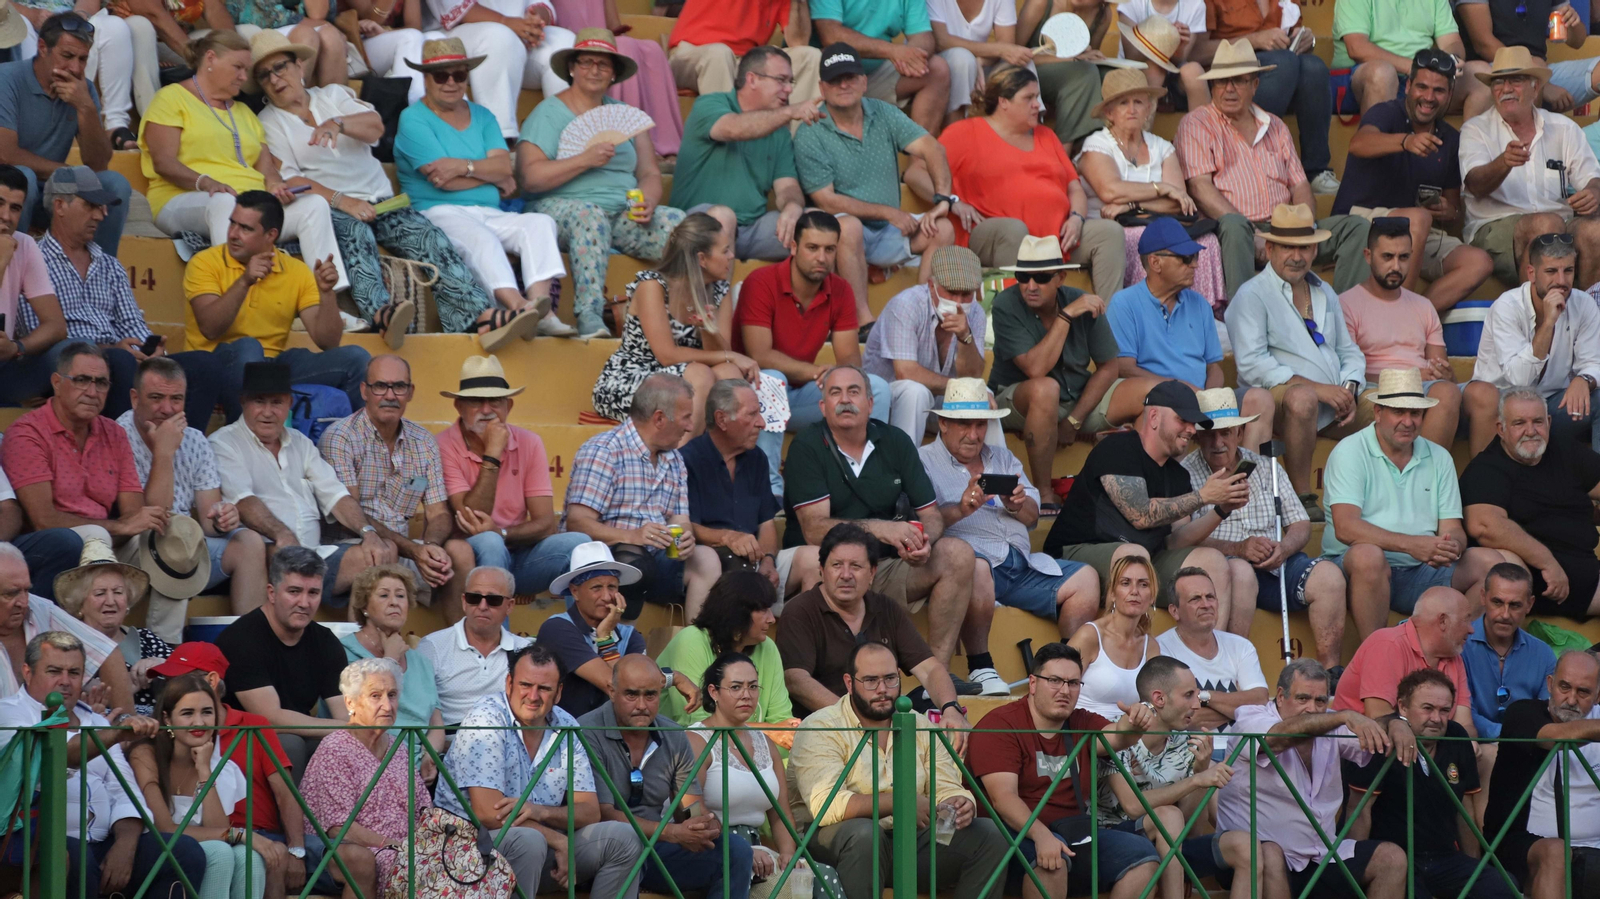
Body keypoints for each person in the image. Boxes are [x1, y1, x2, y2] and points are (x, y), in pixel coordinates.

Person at [253, 33, 533, 350]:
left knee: (430, 237)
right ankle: (382, 316)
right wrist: (344, 201)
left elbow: (375, 126)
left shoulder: (332, 94)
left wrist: (338, 123)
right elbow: (288, 179)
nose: (276, 78)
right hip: (332, 206)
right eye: (265, 75)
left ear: (298, 66)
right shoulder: (269, 121)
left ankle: (477, 318)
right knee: (356, 235)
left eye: (280, 67)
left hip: (383, 201)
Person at [781, 365, 982, 674]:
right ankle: (831, 678)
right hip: (828, 567)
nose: (845, 400)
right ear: (823, 407)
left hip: (882, 568)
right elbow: (814, 530)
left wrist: (921, 542)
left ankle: (936, 675)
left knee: (958, 554)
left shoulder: (895, 441)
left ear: (871, 404)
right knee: (819, 558)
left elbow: (931, 517)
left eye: (854, 392)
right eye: (835, 393)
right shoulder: (807, 447)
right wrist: (882, 529)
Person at [788, 642, 1009, 899]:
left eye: (890, 679)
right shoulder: (822, 726)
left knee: (990, 836)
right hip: (836, 843)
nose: (882, 690)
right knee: (864, 834)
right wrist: (900, 802)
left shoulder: (921, 724)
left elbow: (946, 786)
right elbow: (826, 805)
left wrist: (958, 803)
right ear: (849, 683)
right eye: (870, 680)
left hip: (908, 840)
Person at [0, 631, 206, 899]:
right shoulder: (9, 713)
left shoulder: (95, 721)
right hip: (39, 844)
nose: (65, 682)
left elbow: (124, 788)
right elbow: (57, 754)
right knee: (72, 857)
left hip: (105, 840)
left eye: (74, 673)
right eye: (54, 671)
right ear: (27, 672)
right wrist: (118, 733)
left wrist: (126, 845)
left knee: (183, 853)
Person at [1042, 380, 1254, 636]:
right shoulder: (1118, 448)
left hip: (1144, 560)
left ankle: (1207, 661)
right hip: (1077, 554)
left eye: (1192, 423)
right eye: (1182, 420)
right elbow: (1141, 514)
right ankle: (1117, 658)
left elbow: (1176, 541)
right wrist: (1204, 496)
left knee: (1212, 561)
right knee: (1134, 557)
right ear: (1154, 416)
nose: (1190, 430)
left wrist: (1221, 509)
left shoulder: (1178, 475)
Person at [140, 31, 348, 291]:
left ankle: (330, 299)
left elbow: (267, 169)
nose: (243, 76)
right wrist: (205, 183)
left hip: (251, 205)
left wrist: (274, 186)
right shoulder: (171, 98)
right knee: (224, 203)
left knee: (314, 206)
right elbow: (163, 162)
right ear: (211, 59)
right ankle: (234, 297)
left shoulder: (245, 113)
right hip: (181, 199)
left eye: (246, 70)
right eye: (238, 67)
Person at [436, 644, 643, 899]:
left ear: (558, 693)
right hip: (467, 852)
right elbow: (488, 813)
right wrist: (558, 840)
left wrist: (540, 811)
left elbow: (589, 811)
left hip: (541, 850)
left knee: (623, 838)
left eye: (544, 688)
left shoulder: (566, 724)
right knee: (529, 842)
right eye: (525, 685)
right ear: (509, 683)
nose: (533, 696)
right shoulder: (486, 718)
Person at [519, 29, 687, 340]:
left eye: (603, 64)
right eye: (586, 62)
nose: (594, 70)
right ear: (572, 68)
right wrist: (584, 160)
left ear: (613, 74)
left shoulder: (626, 117)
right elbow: (530, 178)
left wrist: (648, 200)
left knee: (682, 226)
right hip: (561, 209)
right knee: (590, 216)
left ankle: (678, 318)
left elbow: (650, 172)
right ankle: (590, 314)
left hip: (621, 212)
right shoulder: (548, 113)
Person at [394, 38, 565, 340]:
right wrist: (488, 173)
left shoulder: (483, 115)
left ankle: (544, 312)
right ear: (425, 78)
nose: (451, 82)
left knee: (541, 223)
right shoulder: (413, 118)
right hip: (437, 211)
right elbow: (441, 180)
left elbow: (503, 168)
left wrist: (462, 166)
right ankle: (518, 308)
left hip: (489, 210)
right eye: (441, 75)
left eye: (459, 75)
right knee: (482, 239)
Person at [965, 641, 1162, 899]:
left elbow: (1118, 736)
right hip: (1010, 838)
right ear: (1033, 683)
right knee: (1051, 861)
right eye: (1055, 681)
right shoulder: (1000, 725)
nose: (1065, 691)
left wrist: (1137, 719)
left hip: (1073, 835)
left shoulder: (1080, 720)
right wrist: (1041, 836)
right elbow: (1003, 798)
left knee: (1143, 857)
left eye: (1073, 683)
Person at [916, 65, 1127, 302]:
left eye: (1037, 97)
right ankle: (1016, 324)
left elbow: (1073, 187)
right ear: (1003, 101)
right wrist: (951, 201)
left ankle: (1110, 328)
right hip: (990, 233)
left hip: (1055, 237)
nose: (1038, 104)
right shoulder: (965, 132)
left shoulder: (1047, 135)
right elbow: (916, 172)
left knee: (1109, 232)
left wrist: (1077, 218)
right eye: (1029, 98)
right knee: (1014, 230)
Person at [1180, 390, 1360, 665]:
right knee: (1240, 572)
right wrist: (1238, 549)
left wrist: (1284, 548)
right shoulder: (1184, 474)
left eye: (1226, 433)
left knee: (1329, 577)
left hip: (1278, 564)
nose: (1218, 442)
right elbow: (1183, 540)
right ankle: (1230, 669)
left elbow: (1300, 524)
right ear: (1197, 436)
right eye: (1209, 434)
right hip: (1225, 570)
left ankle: (1329, 672)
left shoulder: (1266, 467)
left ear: (1240, 432)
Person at [1176, 43, 1370, 298]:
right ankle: (1244, 322)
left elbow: (1300, 185)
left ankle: (1345, 319)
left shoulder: (1275, 125)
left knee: (1357, 227)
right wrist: (1254, 233)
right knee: (1234, 226)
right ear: (1212, 86)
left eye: (1239, 81)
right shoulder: (1196, 123)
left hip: (1285, 226)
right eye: (1222, 82)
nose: (1229, 89)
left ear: (1255, 85)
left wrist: (1305, 227)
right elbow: (1200, 188)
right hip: (1237, 232)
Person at [673, 46, 864, 302]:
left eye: (790, 82)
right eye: (781, 81)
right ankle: (712, 321)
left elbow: (787, 186)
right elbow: (732, 129)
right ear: (752, 79)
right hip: (697, 225)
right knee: (723, 216)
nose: (789, 89)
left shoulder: (779, 130)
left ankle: (838, 320)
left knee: (827, 226)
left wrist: (794, 207)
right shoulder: (711, 104)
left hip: (752, 229)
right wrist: (791, 111)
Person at [922, 377, 1100, 649]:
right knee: (977, 566)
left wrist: (1016, 504)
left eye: (980, 424)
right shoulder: (923, 461)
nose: (974, 434)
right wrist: (960, 510)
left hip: (1022, 567)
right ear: (943, 424)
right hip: (975, 572)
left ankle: (1067, 663)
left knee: (1086, 580)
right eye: (964, 424)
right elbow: (923, 522)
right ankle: (981, 663)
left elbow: (1032, 516)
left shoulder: (1002, 458)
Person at [37, 165, 222, 425]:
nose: (101, 215)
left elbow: (132, 323)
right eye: (91, 205)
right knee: (119, 360)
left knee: (205, 365)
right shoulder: (34, 259)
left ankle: (182, 449)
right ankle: (122, 453)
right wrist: (107, 349)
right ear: (60, 206)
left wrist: (152, 350)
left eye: (102, 207)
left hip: (120, 359)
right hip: (70, 364)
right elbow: (38, 333)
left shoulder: (109, 265)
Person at [1215, 659, 1415, 899]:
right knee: (1268, 852)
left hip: (1321, 854)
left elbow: (1372, 731)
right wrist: (1343, 717)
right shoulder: (1251, 717)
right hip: (1253, 859)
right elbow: (1276, 738)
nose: (1312, 708)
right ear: (1280, 696)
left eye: (1320, 701)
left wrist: (1396, 723)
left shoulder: (1331, 720)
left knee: (1391, 859)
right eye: (1302, 699)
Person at [1225, 203, 1372, 514]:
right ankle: (1302, 497)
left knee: (1392, 407)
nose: (1297, 256)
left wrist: (1349, 387)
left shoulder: (1324, 292)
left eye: (1304, 248)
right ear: (1270, 247)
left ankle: (1387, 502)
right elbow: (1253, 366)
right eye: (1287, 248)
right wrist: (1318, 389)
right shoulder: (1252, 294)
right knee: (1303, 399)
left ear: (1315, 249)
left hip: (1333, 401)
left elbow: (1349, 351)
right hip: (1280, 401)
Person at [210, 362, 396, 606]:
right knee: (284, 557)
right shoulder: (223, 442)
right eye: (259, 401)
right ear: (243, 401)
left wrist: (368, 532)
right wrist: (282, 534)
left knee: (384, 550)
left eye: (276, 402)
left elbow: (336, 495)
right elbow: (243, 500)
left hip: (314, 553)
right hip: (270, 552)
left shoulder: (301, 442)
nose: (267, 411)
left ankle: (358, 639)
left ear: (289, 404)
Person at [1322, 368, 1500, 615]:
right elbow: (1345, 527)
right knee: (1368, 557)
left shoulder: (1439, 456)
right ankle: (1375, 651)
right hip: (1355, 570)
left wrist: (1452, 547)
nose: (1408, 422)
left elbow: (1452, 528)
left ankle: (1456, 649)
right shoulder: (1350, 451)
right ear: (1378, 412)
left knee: (1493, 564)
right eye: (1398, 412)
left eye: (1415, 413)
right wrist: (1411, 545)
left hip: (1419, 570)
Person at [987, 236, 1148, 509]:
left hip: (1076, 400)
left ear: (1060, 277)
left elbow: (1109, 366)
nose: (1030, 286)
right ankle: (1044, 493)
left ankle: (1141, 490)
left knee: (1150, 393)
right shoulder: (1006, 304)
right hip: (1017, 398)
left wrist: (1075, 420)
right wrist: (1066, 316)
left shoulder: (1079, 300)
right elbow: (1036, 369)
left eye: (1041, 277)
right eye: (1023, 277)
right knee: (1045, 388)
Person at [181, 190, 371, 420]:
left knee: (356, 359)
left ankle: (356, 443)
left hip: (272, 368)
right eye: (232, 223)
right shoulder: (204, 262)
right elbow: (210, 327)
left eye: (246, 228)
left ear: (271, 235)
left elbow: (328, 342)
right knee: (249, 348)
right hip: (216, 364)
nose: (233, 234)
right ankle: (249, 439)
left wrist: (326, 293)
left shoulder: (297, 271)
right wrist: (245, 282)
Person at [739, 211, 891, 497]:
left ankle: (864, 480)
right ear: (793, 247)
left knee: (878, 389)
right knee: (771, 379)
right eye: (813, 248)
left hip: (801, 397)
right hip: (752, 398)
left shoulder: (841, 289)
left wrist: (835, 376)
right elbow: (760, 356)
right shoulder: (761, 281)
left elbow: (849, 361)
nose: (821, 257)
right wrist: (816, 372)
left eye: (829, 249)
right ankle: (770, 491)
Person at [1097, 656, 1276, 899]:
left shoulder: (1187, 744)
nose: (1197, 705)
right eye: (1189, 695)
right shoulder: (1118, 737)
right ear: (1159, 699)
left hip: (1170, 844)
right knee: (1169, 815)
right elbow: (1132, 805)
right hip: (1113, 843)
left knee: (1246, 846)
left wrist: (1201, 772)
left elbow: (1193, 827)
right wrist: (1194, 780)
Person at [1332, 51, 1495, 314]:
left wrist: (1447, 209)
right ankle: (1397, 322)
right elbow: (1359, 143)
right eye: (1422, 87)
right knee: (1418, 219)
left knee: (1480, 262)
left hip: (1417, 232)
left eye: (1439, 91)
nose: (1429, 98)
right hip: (1361, 221)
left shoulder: (1450, 138)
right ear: (1408, 86)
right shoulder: (1386, 113)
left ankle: (1412, 316)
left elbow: (1454, 207)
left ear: (1450, 94)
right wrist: (1405, 142)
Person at [579, 655, 755, 899]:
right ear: (611, 691)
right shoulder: (586, 731)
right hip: (602, 848)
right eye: (631, 694)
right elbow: (602, 814)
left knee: (735, 851)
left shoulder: (672, 734)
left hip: (657, 848)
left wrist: (703, 825)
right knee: (627, 842)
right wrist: (672, 833)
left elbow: (690, 805)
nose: (642, 705)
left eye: (650, 695)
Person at [116, 357, 266, 641]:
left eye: (176, 399)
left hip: (185, 544)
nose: (168, 409)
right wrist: (164, 452)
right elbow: (151, 517)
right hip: (137, 546)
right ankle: (163, 655)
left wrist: (223, 518)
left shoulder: (196, 440)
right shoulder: (116, 435)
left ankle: (252, 646)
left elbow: (210, 522)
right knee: (176, 543)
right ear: (135, 399)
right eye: (156, 398)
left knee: (249, 541)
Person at [776, 523, 973, 738]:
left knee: (955, 733)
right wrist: (854, 720)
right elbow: (796, 679)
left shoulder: (885, 608)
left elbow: (930, 668)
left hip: (883, 730)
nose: (846, 575)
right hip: (824, 732)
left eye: (856, 566)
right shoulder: (800, 611)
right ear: (822, 570)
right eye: (836, 565)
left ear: (872, 573)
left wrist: (951, 708)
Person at [793, 44, 954, 306]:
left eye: (850, 78)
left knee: (943, 229)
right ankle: (860, 321)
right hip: (840, 236)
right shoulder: (810, 131)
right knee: (850, 226)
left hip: (887, 232)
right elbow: (827, 201)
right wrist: (889, 213)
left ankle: (922, 312)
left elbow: (932, 148)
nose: (844, 85)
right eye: (835, 80)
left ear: (864, 82)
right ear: (822, 88)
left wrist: (943, 201)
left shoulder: (883, 111)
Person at [320, 355, 475, 621]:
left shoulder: (424, 442)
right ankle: (364, 654)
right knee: (381, 552)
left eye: (399, 387)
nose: (390, 395)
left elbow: (438, 514)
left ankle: (458, 650)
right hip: (350, 546)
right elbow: (351, 518)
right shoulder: (340, 437)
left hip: (402, 550)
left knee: (459, 553)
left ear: (410, 392)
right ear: (364, 391)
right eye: (380, 386)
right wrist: (414, 551)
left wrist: (431, 547)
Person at [1105, 219, 1275, 448]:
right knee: (1172, 414)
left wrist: (1210, 399)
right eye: (1186, 259)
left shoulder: (1200, 304)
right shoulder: (1124, 303)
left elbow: (1213, 367)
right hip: (1159, 400)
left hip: (1199, 398)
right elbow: (1124, 368)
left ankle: (1247, 479)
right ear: (1155, 262)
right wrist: (1181, 391)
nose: (1195, 265)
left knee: (1261, 399)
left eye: (1195, 257)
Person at [431, 356, 588, 603]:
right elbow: (472, 517)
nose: (486, 410)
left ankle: (580, 636)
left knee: (581, 544)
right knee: (490, 542)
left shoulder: (530, 442)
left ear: (508, 407)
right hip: (470, 560)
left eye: (494, 401)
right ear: (459, 406)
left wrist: (502, 533)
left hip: (521, 555)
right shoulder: (441, 445)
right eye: (475, 401)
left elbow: (546, 523)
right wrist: (492, 453)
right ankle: (496, 641)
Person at [1346, 669, 1514, 899]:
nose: (1437, 718)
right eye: (1427, 708)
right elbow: (1359, 810)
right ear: (1403, 707)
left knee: (1504, 886)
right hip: (1397, 860)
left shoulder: (1456, 735)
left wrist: (1474, 866)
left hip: (1445, 858)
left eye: (1445, 710)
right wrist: (1356, 873)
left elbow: (1465, 809)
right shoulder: (1382, 741)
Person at [684, 651, 840, 896]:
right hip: (714, 850)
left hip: (760, 853)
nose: (746, 695)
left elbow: (780, 814)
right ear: (714, 692)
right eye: (736, 687)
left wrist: (789, 853)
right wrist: (740, 850)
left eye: (753, 687)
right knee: (790, 890)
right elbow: (691, 811)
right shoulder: (696, 741)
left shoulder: (764, 743)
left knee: (822, 876)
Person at [563, 373, 719, 616]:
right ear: (659, 418)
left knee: (706, 558)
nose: (690, 426)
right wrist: (632, 535)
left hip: (658, 561)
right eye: (686, 417)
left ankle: (696, 643)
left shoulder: (674, 458)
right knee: (634, 560)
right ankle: (622, 645)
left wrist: (686, 539)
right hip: (610, 562)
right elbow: (577, 523)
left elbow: (680, 521)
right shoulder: (605, 451)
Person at [590, 213, 755, 434]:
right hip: (632, 379)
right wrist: (730, 355)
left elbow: (722, 355)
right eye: (725, 250)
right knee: (702, 374)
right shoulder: (653, 285)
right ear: (701, 259)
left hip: (685, 381)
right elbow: (666, 355)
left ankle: (726, 460)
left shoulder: (719, 290)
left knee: (728, 373)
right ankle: (683, 464)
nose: (732, 255)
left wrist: (708, 330)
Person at [128, 673, 288, 899]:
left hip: (199, 846)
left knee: (249, 857)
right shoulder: (146, 754)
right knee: (221, 852)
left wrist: (204, 771)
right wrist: (241, 834)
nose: (199, 722)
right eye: (187, 713)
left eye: (206, 712)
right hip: (150, 849)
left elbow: (216, 827)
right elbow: (164, 829)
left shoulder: (220, 763)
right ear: (167, 719)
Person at [0, 342, 166, 556]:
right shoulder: (27, 433)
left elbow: (133, 515)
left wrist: (129, 527)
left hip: (108, 539)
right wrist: (118, 527)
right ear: (57, 383)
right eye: (82, 380)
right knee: (97, 536)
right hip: (52, 546)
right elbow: (43, 520)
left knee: (161, 543)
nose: (92, 392)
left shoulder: (114, 433)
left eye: (101, 383)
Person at [1075, 66, 1222, 306]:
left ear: (1149, 108)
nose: (1132, 109)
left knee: (1206, 241)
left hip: (1151, 224)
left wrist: (1130, 205)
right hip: (1111, 230)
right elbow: (1110, 190)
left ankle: (1198, 312)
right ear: (1109, 112)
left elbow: (1179, 203)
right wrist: (1161, 188)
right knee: (1145, 241)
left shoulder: (1162, 147)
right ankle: (1147, 313)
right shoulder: (1097, 143)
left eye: (1138, 102)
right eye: (1123, 103)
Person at [1460, 46, 1600, 287]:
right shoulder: (1475, 129)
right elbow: (1475, 185)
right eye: (1498, 83)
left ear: (1535, 87)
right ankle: (1533, 320)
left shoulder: (1564, 128)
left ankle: (1586, 319)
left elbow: (1593, 179)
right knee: (1547, 225)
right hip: (1495, 229)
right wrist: (1502, 163)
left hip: (1559, 226)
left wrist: (1593, 194)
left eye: (1515, 81)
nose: (1505, 89)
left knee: (1595, 231)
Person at [0, 13, 132, 256]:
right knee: (23, 177)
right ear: (42, 48)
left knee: (116, 184)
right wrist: (67, 172)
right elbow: (7, 155)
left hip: (53, 189)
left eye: (83, 59)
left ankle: (99, 273)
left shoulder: (84, 88)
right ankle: (12, 266)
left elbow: (99, 163)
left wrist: (86, 108)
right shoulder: (6, 78)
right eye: (67, 56)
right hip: (8, 186)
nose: (75, 68)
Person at [212, 547, 350, 778]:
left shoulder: (325, 641)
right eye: (294, 591)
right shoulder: (241, 639)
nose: (304, 603)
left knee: (341, 747)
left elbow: (346, 713)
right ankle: (291, 816)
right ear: (272, 593)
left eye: (313, 593)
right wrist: (345, 729)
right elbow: (270, 718)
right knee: (290, 744)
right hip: (236, 742)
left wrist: (349, 732)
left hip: (297, 735)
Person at [1463, 389, 1600, 617]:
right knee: (1506, 566)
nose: (1530, 431)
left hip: (1586, 577)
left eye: (1537, 421)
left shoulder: (1564, 449)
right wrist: (1548, 562)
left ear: (1548, 422)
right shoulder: (1486, 469)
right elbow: (1485, 526)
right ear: (1501, 429)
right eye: (1519, 423)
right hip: (1531, 583)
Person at [298, 658, 426, 899]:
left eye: (392, 694)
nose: (387, 706)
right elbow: (338, 827)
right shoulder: (335, 749)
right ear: (350, 702)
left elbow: (422, 810)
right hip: (357, 850)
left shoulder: (399, 749)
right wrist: (393, 844)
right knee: (406, 866)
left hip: (407, 847)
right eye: (375, 696)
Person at [683, 380, 818, 605]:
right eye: (752, 414)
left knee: (815, 559)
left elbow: (766, 523)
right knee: (731, 566)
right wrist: (727, 537)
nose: (762, 423)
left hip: (755, 560)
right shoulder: (688, 460)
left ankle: (803, 636)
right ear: (721, 419)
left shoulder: (757, 458)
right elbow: (686, 527)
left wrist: (768, 560)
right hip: (712, 561)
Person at [1464, 233, 1600, 455]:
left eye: (1568, 270)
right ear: (1531, 273)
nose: (1562, 281)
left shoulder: (1583, 304)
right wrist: (1548, 323)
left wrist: (1584, 380)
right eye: (1551, 271)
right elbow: (1520, 380)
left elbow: (1594, 361)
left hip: (1551, 408)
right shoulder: (1507, 306)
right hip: (1503, 408)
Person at [535, 540, 701, 718]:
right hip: (565, 735)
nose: (606, 596)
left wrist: (605, 635)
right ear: (575, 591)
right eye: (596, 588)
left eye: (612, 587)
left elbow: (641, 685)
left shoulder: (630, 636)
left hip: (615, 733)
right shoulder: (557, 628)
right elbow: (615, 686)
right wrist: (674, 677)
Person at [1339, 217, 1464, 452]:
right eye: (1387, 257)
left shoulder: (1423, 306)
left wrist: (1444, 373)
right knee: (1440, 396)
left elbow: (1438, 366)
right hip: (1374, 391)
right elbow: (1348, 372)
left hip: (1422, 388)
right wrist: (1407, 378)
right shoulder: (1346, 304)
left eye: (1403, 257)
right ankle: (1424, 484)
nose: (1396, 266)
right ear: (1368, 256)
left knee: (1467, 392)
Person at [1485, 650, 1600, 897]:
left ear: (1598, 695)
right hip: (1522, 843)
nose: (1571, 700)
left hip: (1595, 848)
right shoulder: (1522, 712)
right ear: (1550, 684)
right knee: (1556, 851)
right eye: (1564, 687)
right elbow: (1559, 736)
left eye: (1583, 692)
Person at [1189, 9, 1338, 197]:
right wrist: (1256, 40)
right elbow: (1197, 52)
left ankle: (1316, 171)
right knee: (1285, 63)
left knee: (1314, 67)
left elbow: (1295, 37)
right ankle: (1248, 162)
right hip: (1231, 76)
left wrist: (1306, 41)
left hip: (1282, 75)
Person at [863, 245, 993, 444]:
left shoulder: (974, 312)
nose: (959, 302)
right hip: (885, 404)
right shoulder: (906, 304)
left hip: (938, 399)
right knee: (915, 392)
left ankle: (997, 472)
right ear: (932, 286)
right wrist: (962, 388)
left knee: (986, 398)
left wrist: (965, 336)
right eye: (951, 292)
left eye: (966, 294)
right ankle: (904, 471)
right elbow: (906, 373)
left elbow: (973, 375)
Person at [1457, 564, 1556, 823]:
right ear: (1482, 597)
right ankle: (1489, 849)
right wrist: (1504, 736)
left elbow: (1545, 712)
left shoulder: (1543, 653)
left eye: (1515, 605)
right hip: (1477, 746)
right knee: (1490, 755)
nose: (1504, 614)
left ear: (1530, 604)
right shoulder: (1460, 644)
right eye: (1497, 602)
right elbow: (1462, 707)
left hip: (1527, 748)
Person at [656, 569, 795, 732]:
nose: (771, 619)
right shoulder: (691, 640)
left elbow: (784, 722)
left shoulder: (767, 646)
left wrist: (777, 733)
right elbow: (698, 726)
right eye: (763, 609)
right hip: (688, 753)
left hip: (753, 752)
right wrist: (767, 731)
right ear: (738, 612)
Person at [548, 0, 686, 159]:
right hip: (571, 40)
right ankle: (629, 144)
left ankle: (666, 146)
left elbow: (614, 26)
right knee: (625, 47)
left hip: (604, 40)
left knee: (652, 49)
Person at [1332, 586, 1477, 735]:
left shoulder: (1454, 656)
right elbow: (1378, 716)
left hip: (1430, 747)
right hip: (1369, 750)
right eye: (1466, 621)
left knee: (1489, 753)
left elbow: (1464, 724)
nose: (1471, 630)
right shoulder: (1387, 644)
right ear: (1442, 621)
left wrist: (1469, 746)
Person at [421, 0, 570, 141]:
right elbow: (454, 7)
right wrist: (506, 22)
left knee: (563, 43)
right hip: (453, 37)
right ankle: (501, 139)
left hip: (518, 35)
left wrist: (536, 19)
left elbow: (539, 4)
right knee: (499, 37)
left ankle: (567, 139)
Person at [1156, 567, 1270, 749]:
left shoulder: (1241, 646)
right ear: (1174, 611)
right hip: (1190, 755)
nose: (1206, 604)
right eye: (1195, 599)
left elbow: (1260, 701)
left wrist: (1204, 696)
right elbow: (1178, 718)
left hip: (1242, 754)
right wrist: (1240, 709)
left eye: (1210, 597)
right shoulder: (1161, 650)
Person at [55, 540, 171, 717]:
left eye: (118, 592)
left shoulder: (147, 639)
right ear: (80, 603)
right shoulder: (66, 646)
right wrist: (121, 687)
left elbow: (189, 679)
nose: (111, 601)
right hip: (99, 738)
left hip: (158, 733)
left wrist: (163, 666)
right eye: (100, 593)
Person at [339, 565, 444, 755]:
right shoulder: (342, 653)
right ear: (364, 606)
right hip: (369, 759)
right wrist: (390, 660)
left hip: (420, 766)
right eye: (384, 595)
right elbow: (355, 721)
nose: (394, 602)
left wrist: (430, 755)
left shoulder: (421, 662)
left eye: (401, 596)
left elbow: (436, 724)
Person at [413, 565, 531, 726]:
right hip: (447, 744)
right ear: (464, 601)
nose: (482, 606)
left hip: (508, 742)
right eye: (474, 598)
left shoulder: (524, 651)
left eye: (493, 600)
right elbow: (416, 710)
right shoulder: (433, 646)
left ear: (510, 605)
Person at [809, 2, 950, 136]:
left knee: (937, 69)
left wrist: (912, 56)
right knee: (814, 58)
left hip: (875, 73)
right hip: (832, 78)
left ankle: (920, 159)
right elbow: (830, 34)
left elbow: (923, 36)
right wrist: (892, 51)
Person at [0, 162, 70, 410]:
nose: (6, 216)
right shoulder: (8, 249)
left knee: (74, 353)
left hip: (3, 365)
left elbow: (55, 325)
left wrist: (16, 347)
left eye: (15, 208)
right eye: (0, 203)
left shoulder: (24, 244)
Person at [1458, 0, 1599, 119]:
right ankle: (1527, 148)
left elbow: (1577, 42)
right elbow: (1483, 44)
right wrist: (1540, 81)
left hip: (1540, 71)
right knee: (1536, 64)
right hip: (1493, 72)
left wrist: (1573, 24)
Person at [1331, 0, 1478, 114]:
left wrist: (1450, 60)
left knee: (1479, 75)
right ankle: (1377, 149)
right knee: (1382, 74)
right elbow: (1357, 48)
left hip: (1419, 78)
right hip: (1360, 80)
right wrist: (1417, 69)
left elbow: (1452, 42)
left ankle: (1468, 151)